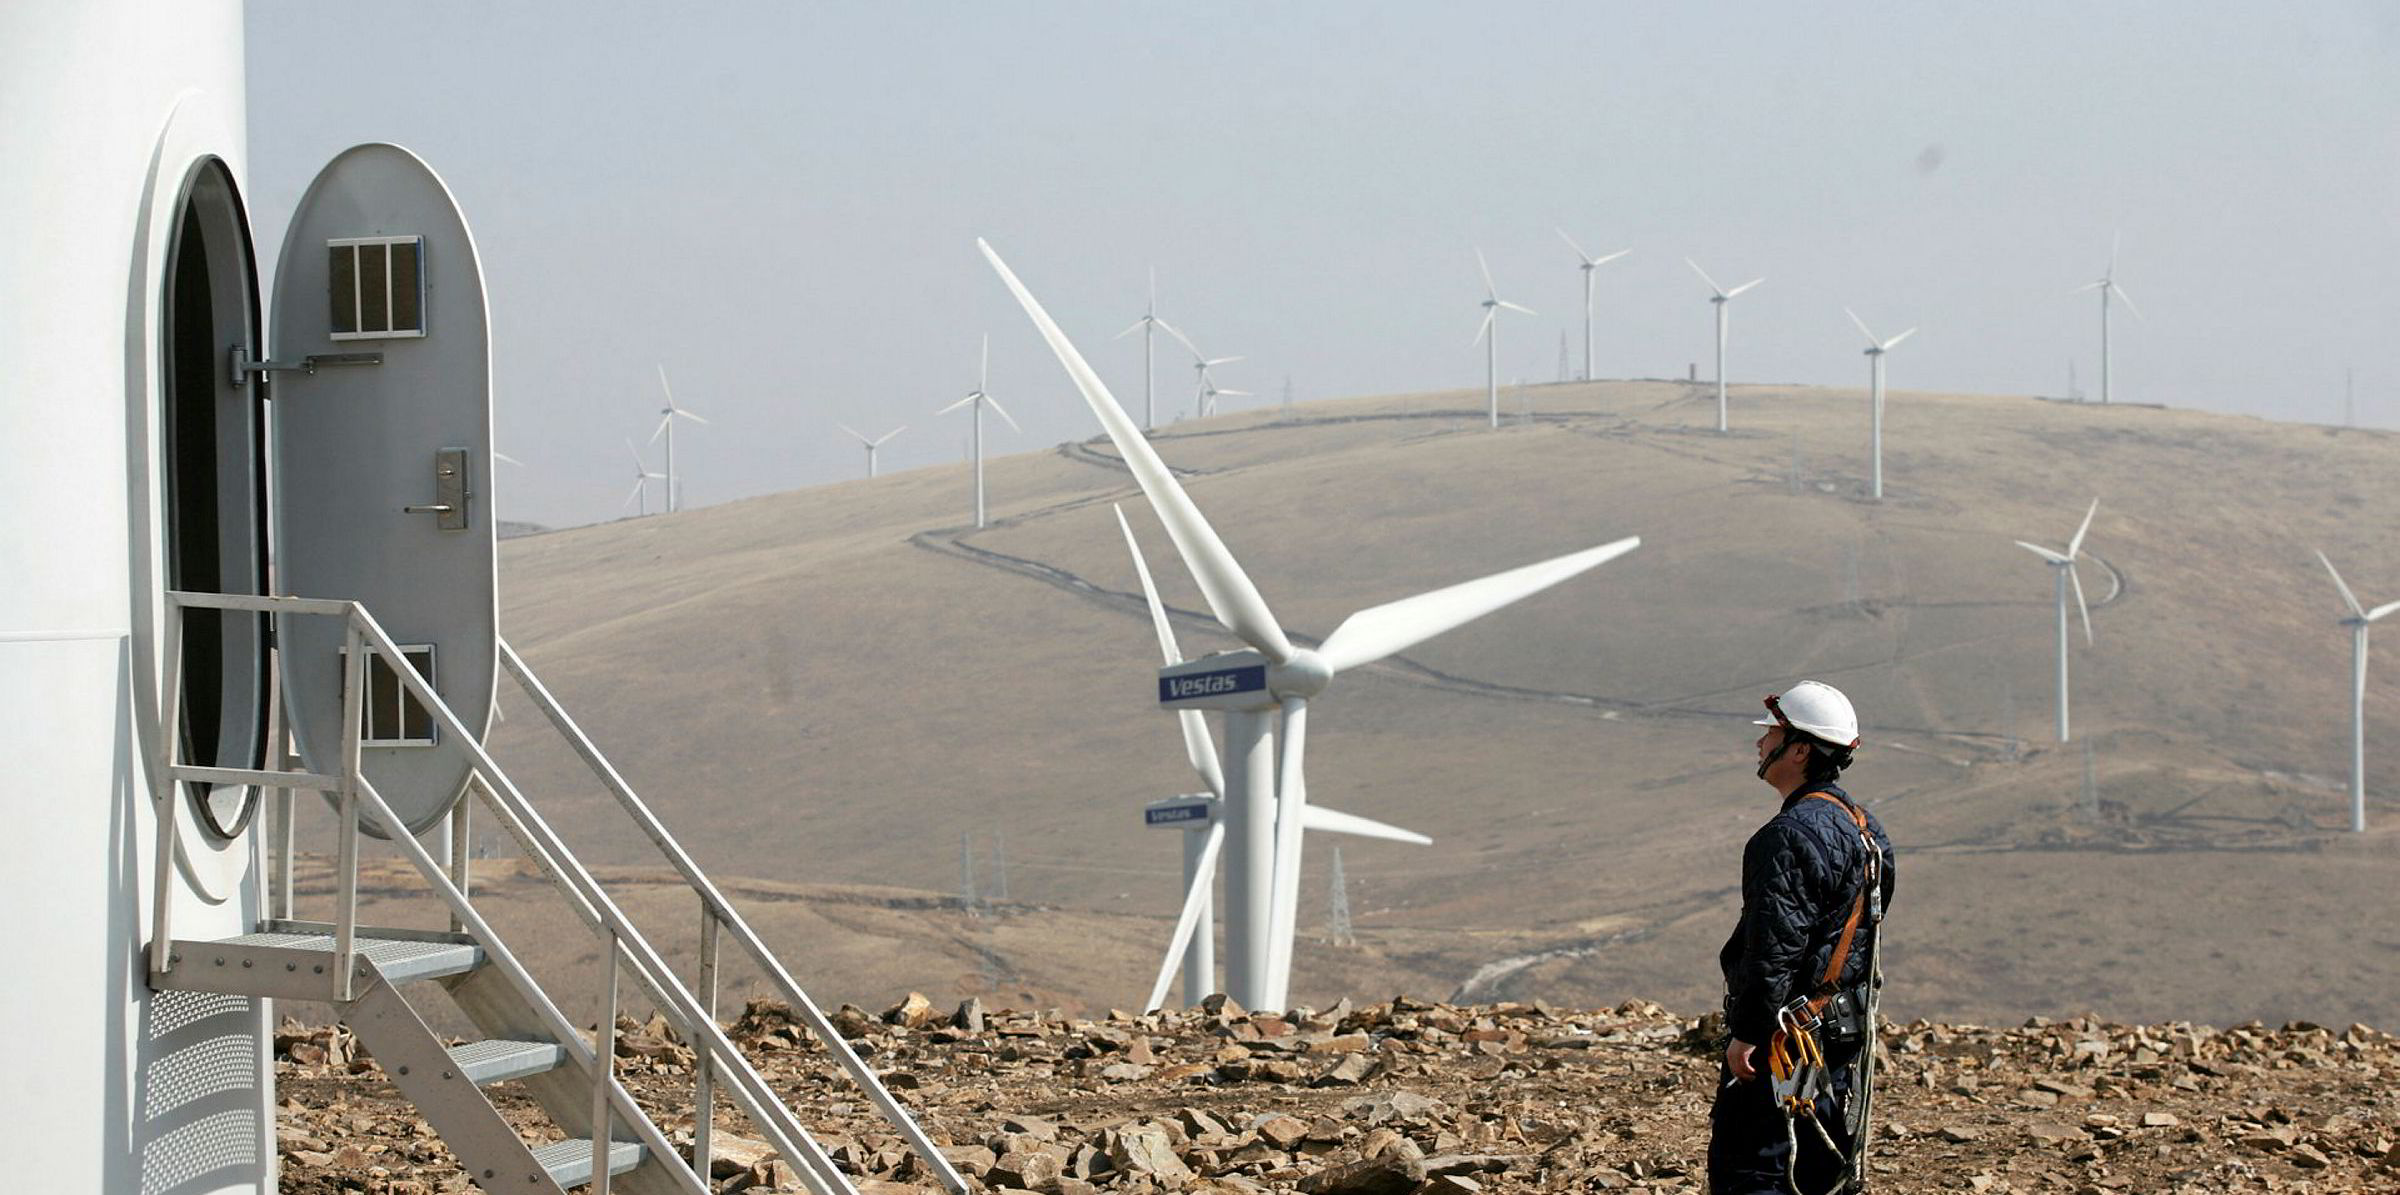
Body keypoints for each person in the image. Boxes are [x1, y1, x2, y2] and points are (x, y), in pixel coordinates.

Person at [1710, 681, 1896, 1195]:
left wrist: (1749, 1032)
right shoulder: (1866, 829)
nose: (1760, 743)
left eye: (1772, 734)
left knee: (1755, 1173)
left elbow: (1774, 947)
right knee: (1819, 1173)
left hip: (1783, 1046)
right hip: (1836, 1036)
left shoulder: (1787, 837)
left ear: (1799, 749)